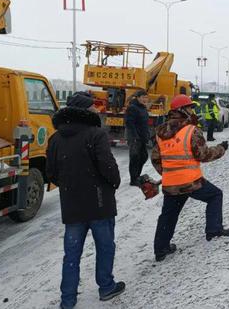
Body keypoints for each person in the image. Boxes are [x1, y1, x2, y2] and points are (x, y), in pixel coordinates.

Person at [46, 91, 125, 309]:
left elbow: (50, 173)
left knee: (71, 254)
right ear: (84, 111)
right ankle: (106, 287)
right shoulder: (95, 134)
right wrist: (113, 182)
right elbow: (107, 166)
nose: (96, 110)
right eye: (92, 107)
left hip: (72, 206)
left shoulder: (55, 139)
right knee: (105, 246)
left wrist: (71, 186)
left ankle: (68, 299)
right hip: (100, 204)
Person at [151, 94, 229, 262]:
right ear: (182, 110)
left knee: (168, 215)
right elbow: (203, 155)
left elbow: (155, 159)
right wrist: (221, 149)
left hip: (171, 184)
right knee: (215, 195)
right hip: (191, 182)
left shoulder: (160, 133)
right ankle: (214, 229)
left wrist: (168, 173)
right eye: (189, 107)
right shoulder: (191, 130)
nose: (192, 110)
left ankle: (161, 249)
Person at [125, 89, 150, 186]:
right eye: (143, 97)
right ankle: (133, 179)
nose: (145, 99)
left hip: (142, 137)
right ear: (138, 98)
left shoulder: (142, 108)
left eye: (146, 97)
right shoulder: (132, 108)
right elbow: (129, 123)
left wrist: (147, 135)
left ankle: (137, 176)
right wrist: (135, 136)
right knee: (134, 157)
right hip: (135, 137)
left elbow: (144, 124)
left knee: (143, 156)